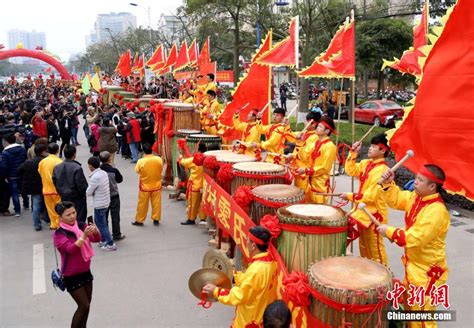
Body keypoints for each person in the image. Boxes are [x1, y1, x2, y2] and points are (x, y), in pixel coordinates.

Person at [377, 165, 449, 328]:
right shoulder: (415, 198)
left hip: (427, 272)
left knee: (421, 319)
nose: (415, 182)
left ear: (432, 186)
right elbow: (397, 199)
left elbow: (415, 238)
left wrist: (389, 231)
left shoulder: (436, 211)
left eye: (420, 180)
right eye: (416, 178)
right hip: (413, 266)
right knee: (411, 314)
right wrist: (389, 184)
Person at [203, 226, 278, 328]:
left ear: (253, 245)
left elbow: (240, 296)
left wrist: (216, 291)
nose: (246, 242)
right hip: (262, 315)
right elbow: (253, 284)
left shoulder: (256, 270)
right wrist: (233, 276)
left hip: (251, 319)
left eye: (247, 240)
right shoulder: (271, 262)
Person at [340, 134, 390, 265]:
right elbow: (351, 170)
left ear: (383, 150)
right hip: (362, 212)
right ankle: (370, 276)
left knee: (375, 250)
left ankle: (383, 277)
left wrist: (350, 196)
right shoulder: (366, 163)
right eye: (371, 146)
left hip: (374, 215)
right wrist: (353, 152)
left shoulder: (383, 171)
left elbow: (371, 196)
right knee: (364, 247)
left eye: (374, 147)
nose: (370, 149)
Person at [52, 201, 101, 328]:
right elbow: (70, 249)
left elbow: (96, 239)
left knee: (87, 305)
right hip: (71, 275)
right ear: (60, 217)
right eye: (68, 215)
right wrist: (84, 236)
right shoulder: (59, 234)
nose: (72, 216)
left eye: (74, 212)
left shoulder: (80, 225)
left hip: (85, 271)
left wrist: (95, 231)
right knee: (83, 305)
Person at [297, 116, 337, 204]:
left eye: (320, 127)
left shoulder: (330, 146)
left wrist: (306, 170)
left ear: (327, 131)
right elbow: (304, 157)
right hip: (309, 182)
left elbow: (324, 168)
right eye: (317, 126)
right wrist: (299, 142)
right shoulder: (316, 143)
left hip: (320, 185)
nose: (317, 128)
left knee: (317, 212)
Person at [286, 112, 320, 199]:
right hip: (298, 168)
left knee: (303, 196)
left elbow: (305, 155)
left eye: (307, 121)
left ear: (314, 124)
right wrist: (287, 125)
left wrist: (299, 142)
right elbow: (290, 136)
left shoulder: (315, 137)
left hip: (305, 171)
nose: (305, 123)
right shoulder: (305, 133)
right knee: (297, 192)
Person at [17, 143, 50, 230]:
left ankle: (37, 224)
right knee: (48, 205)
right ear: (43, 152)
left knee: (36, 206)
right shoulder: (47, 161)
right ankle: (47, 220)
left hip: (35, 188)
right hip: (47, 186)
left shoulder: (29, 162)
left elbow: (19, 170)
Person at [86, 156, 116, 251]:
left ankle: (110, 243)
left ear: (91, 166)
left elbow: (88, 192)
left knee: (102, 225)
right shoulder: (103, 173)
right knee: (101, 223)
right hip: (105, 202)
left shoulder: (95, 177)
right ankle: (103, 240)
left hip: (99, 204)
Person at [53, 145, 88, 224]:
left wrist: (60, 191)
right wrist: (83, 194)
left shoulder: (57, 167)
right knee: (79, 218)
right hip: (77, 198)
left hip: (64, 196)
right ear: (74, 154)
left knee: (67, 217)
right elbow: (81, 185)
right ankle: (78, 234)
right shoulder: (77, 167)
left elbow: (54, 181)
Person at [132, 143, 163, 227]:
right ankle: (156, 219)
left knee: (142, 204)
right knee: (156, 203)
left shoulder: (141, 161)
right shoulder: (158, 159)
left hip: (145, 186)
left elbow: (137, 171)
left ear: (144, 151)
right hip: (157, 185)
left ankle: (140, 220)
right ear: (151, 150)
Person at [99, 151, 125, 241]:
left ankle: (105, 235)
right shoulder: (114, 170)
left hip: (103, 196)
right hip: (114, 195)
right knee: (115, 216)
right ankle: (116, 234)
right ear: (110, 159)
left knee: (104, 217)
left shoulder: (98, 170)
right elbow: (120, 180)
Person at [0, 133, 27, 216]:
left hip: (11, 175)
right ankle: (26, 204)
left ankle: (17, 211)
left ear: (7, 141)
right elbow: (25, 160)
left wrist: (3, 176)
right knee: (23, 190)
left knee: (14, 193)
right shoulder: (22, 149)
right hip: (22, 173)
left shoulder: (5, 153)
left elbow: (4, 166)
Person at [38, 143, 63, 229]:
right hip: (56, 190)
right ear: (58, 150)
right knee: (59, 209)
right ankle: (59, 224)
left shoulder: (42, 162)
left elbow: (40, 173)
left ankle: (53, 224)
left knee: (50, 209)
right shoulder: (59, 161)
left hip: (46, 189)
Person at [179, 152, 206, 226]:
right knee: (202, 203)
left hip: (195, 185)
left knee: (192, 204)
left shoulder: (194, 159)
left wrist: (181, 157)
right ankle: (203, 219)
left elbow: (183, 162)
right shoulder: (207, 160)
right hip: (204, 186)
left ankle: (191, 219)